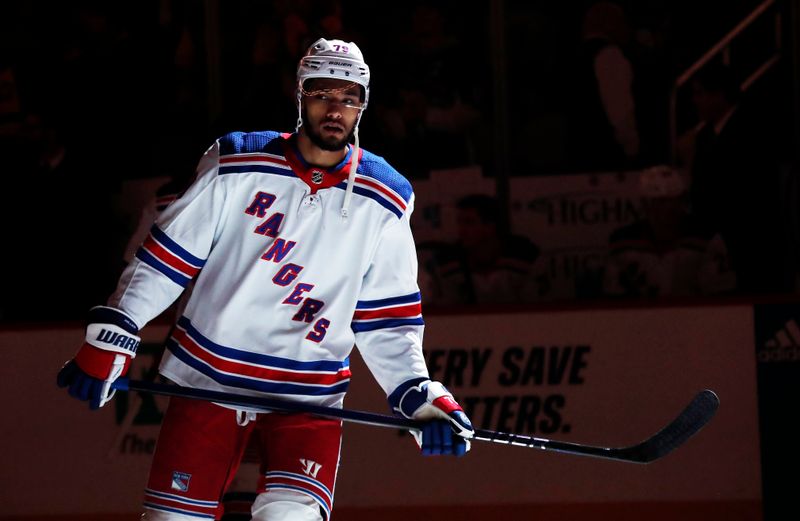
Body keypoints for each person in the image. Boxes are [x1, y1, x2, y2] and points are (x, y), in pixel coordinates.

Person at [56, 38, 473, 521]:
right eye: (322, 93)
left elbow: (387, 318)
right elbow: (166, 258)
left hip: (308, 396)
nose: (335, 108)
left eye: (348, 96)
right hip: (207, 381)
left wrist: (417, 393)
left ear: (363, 104)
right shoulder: (236, 161)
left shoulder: (387, 197)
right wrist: (119, 330)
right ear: (300, 96)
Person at [688, 61, 788, 295]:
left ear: (719, 94)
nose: (695, 101)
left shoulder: (751, 131)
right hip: (718, 245)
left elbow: (751, 192)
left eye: (700, 93)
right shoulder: (707, 137)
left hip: (749, 246)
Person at [603, 165, 736, 298]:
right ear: (645, 204)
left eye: (676, 200)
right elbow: (614, 299)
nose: (671, 208)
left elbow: (722, 296)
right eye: (662, 201)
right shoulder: (622, 244)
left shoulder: (706, 239)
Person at [425, 193, 544, 306]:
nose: (461, 230)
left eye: (469, 222)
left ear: (491, 226)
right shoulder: (449, 263)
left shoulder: (524, 258)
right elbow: (448, 315)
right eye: (459, 222)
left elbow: (538, 310)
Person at [565, 1, 640, 172]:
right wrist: (632, 147)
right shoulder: (608, 55)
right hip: (606, 157)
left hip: (575, 154)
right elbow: (620, 110)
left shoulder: (571, 59)